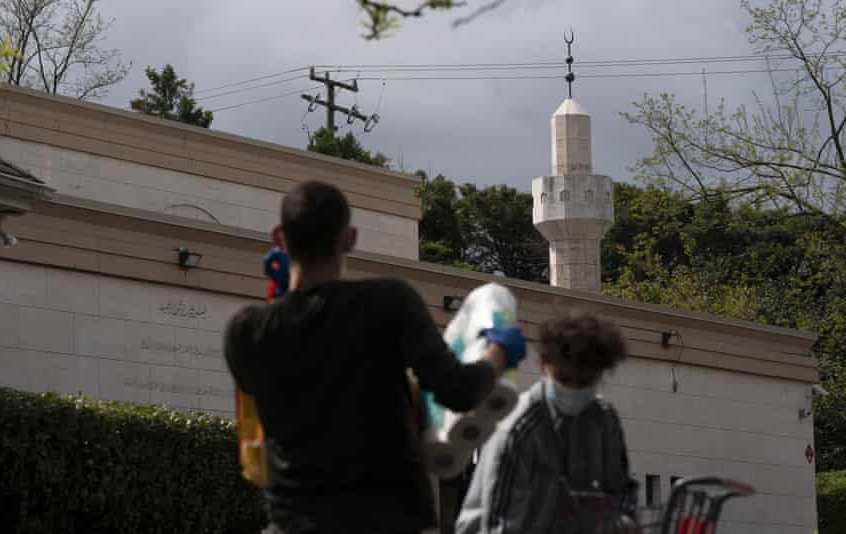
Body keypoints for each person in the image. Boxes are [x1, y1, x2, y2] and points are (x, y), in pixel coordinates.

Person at [223, 180, 527, 534]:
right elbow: (457, 390)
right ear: (349, 238)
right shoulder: (389, 302)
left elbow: (276, 380)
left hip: (296, 522)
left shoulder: (246, 331)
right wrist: (498, 352)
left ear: (279, 237)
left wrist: (278, 306)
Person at [455, 312, 638, 534]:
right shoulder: (519, 430)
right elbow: (499, 525)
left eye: (586, 381)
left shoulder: (604, 421)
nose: (575, 389)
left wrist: (622, 524)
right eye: (565, 379)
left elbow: (622, 493)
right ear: (543, 365)